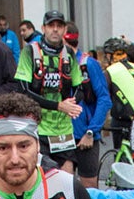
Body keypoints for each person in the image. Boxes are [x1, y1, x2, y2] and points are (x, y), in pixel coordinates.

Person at [7, 10, 89, 172]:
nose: (55, 30)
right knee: (41, 178)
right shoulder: (30, 52)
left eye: (59, 26)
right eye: (51, 26)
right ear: (43, 28)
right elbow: (23, 91)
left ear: (65, 30)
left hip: (63, 129)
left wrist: (72, 105)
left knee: (67, 179)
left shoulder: (69, 54)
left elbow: (80, 87)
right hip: (38, 127)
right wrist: (59, 106)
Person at [71, 31, 114, 172]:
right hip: (61, 136)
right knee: (61, 187)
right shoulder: (52, 63)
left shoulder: (88, 63)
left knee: (88, 188)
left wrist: (91, 131)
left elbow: (104, 99)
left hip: (85, 135)